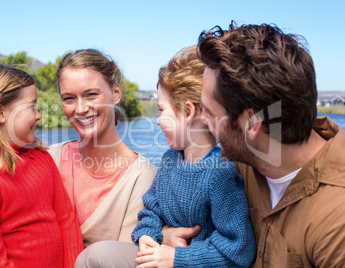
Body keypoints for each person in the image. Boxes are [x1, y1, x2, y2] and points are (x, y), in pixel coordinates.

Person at [75, 46, 256, 268]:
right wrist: (147, 237)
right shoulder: (171, 159)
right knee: (91, 257)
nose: (158, 120)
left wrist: (176, 259)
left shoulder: (220, 175)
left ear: (188, 112)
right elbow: (151, 209)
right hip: (160, 257)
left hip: (186, 263)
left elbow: (239, 251)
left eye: (162, 110)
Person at [197, 22, 345, 267]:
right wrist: (167, 232)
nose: (201, 120)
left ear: (252, 124)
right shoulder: (244, 158)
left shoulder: (336, 219)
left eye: (211, 113)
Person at [0, 64, 84, 267]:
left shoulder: (40, 158)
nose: (38, 115)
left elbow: (66, 221)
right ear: (1, 114)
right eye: (31, 107)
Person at [49, 49, 156, 248]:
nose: (80, 109)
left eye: (91, 95)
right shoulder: (49, 158)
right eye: (69, 98)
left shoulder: (141, 177)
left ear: (115, 94)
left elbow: (124, 259)